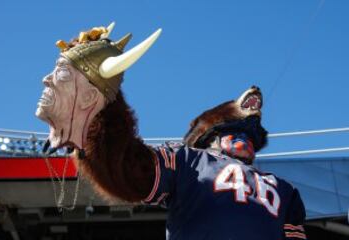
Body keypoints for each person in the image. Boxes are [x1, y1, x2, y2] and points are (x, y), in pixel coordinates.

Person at [36, 23, 307, 240]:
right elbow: (129, 171)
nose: (245, 142)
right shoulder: (188, 161)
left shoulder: (285, 190)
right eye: (235, 134)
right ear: (209, 138)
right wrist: (103, 105)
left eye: (250, 138)